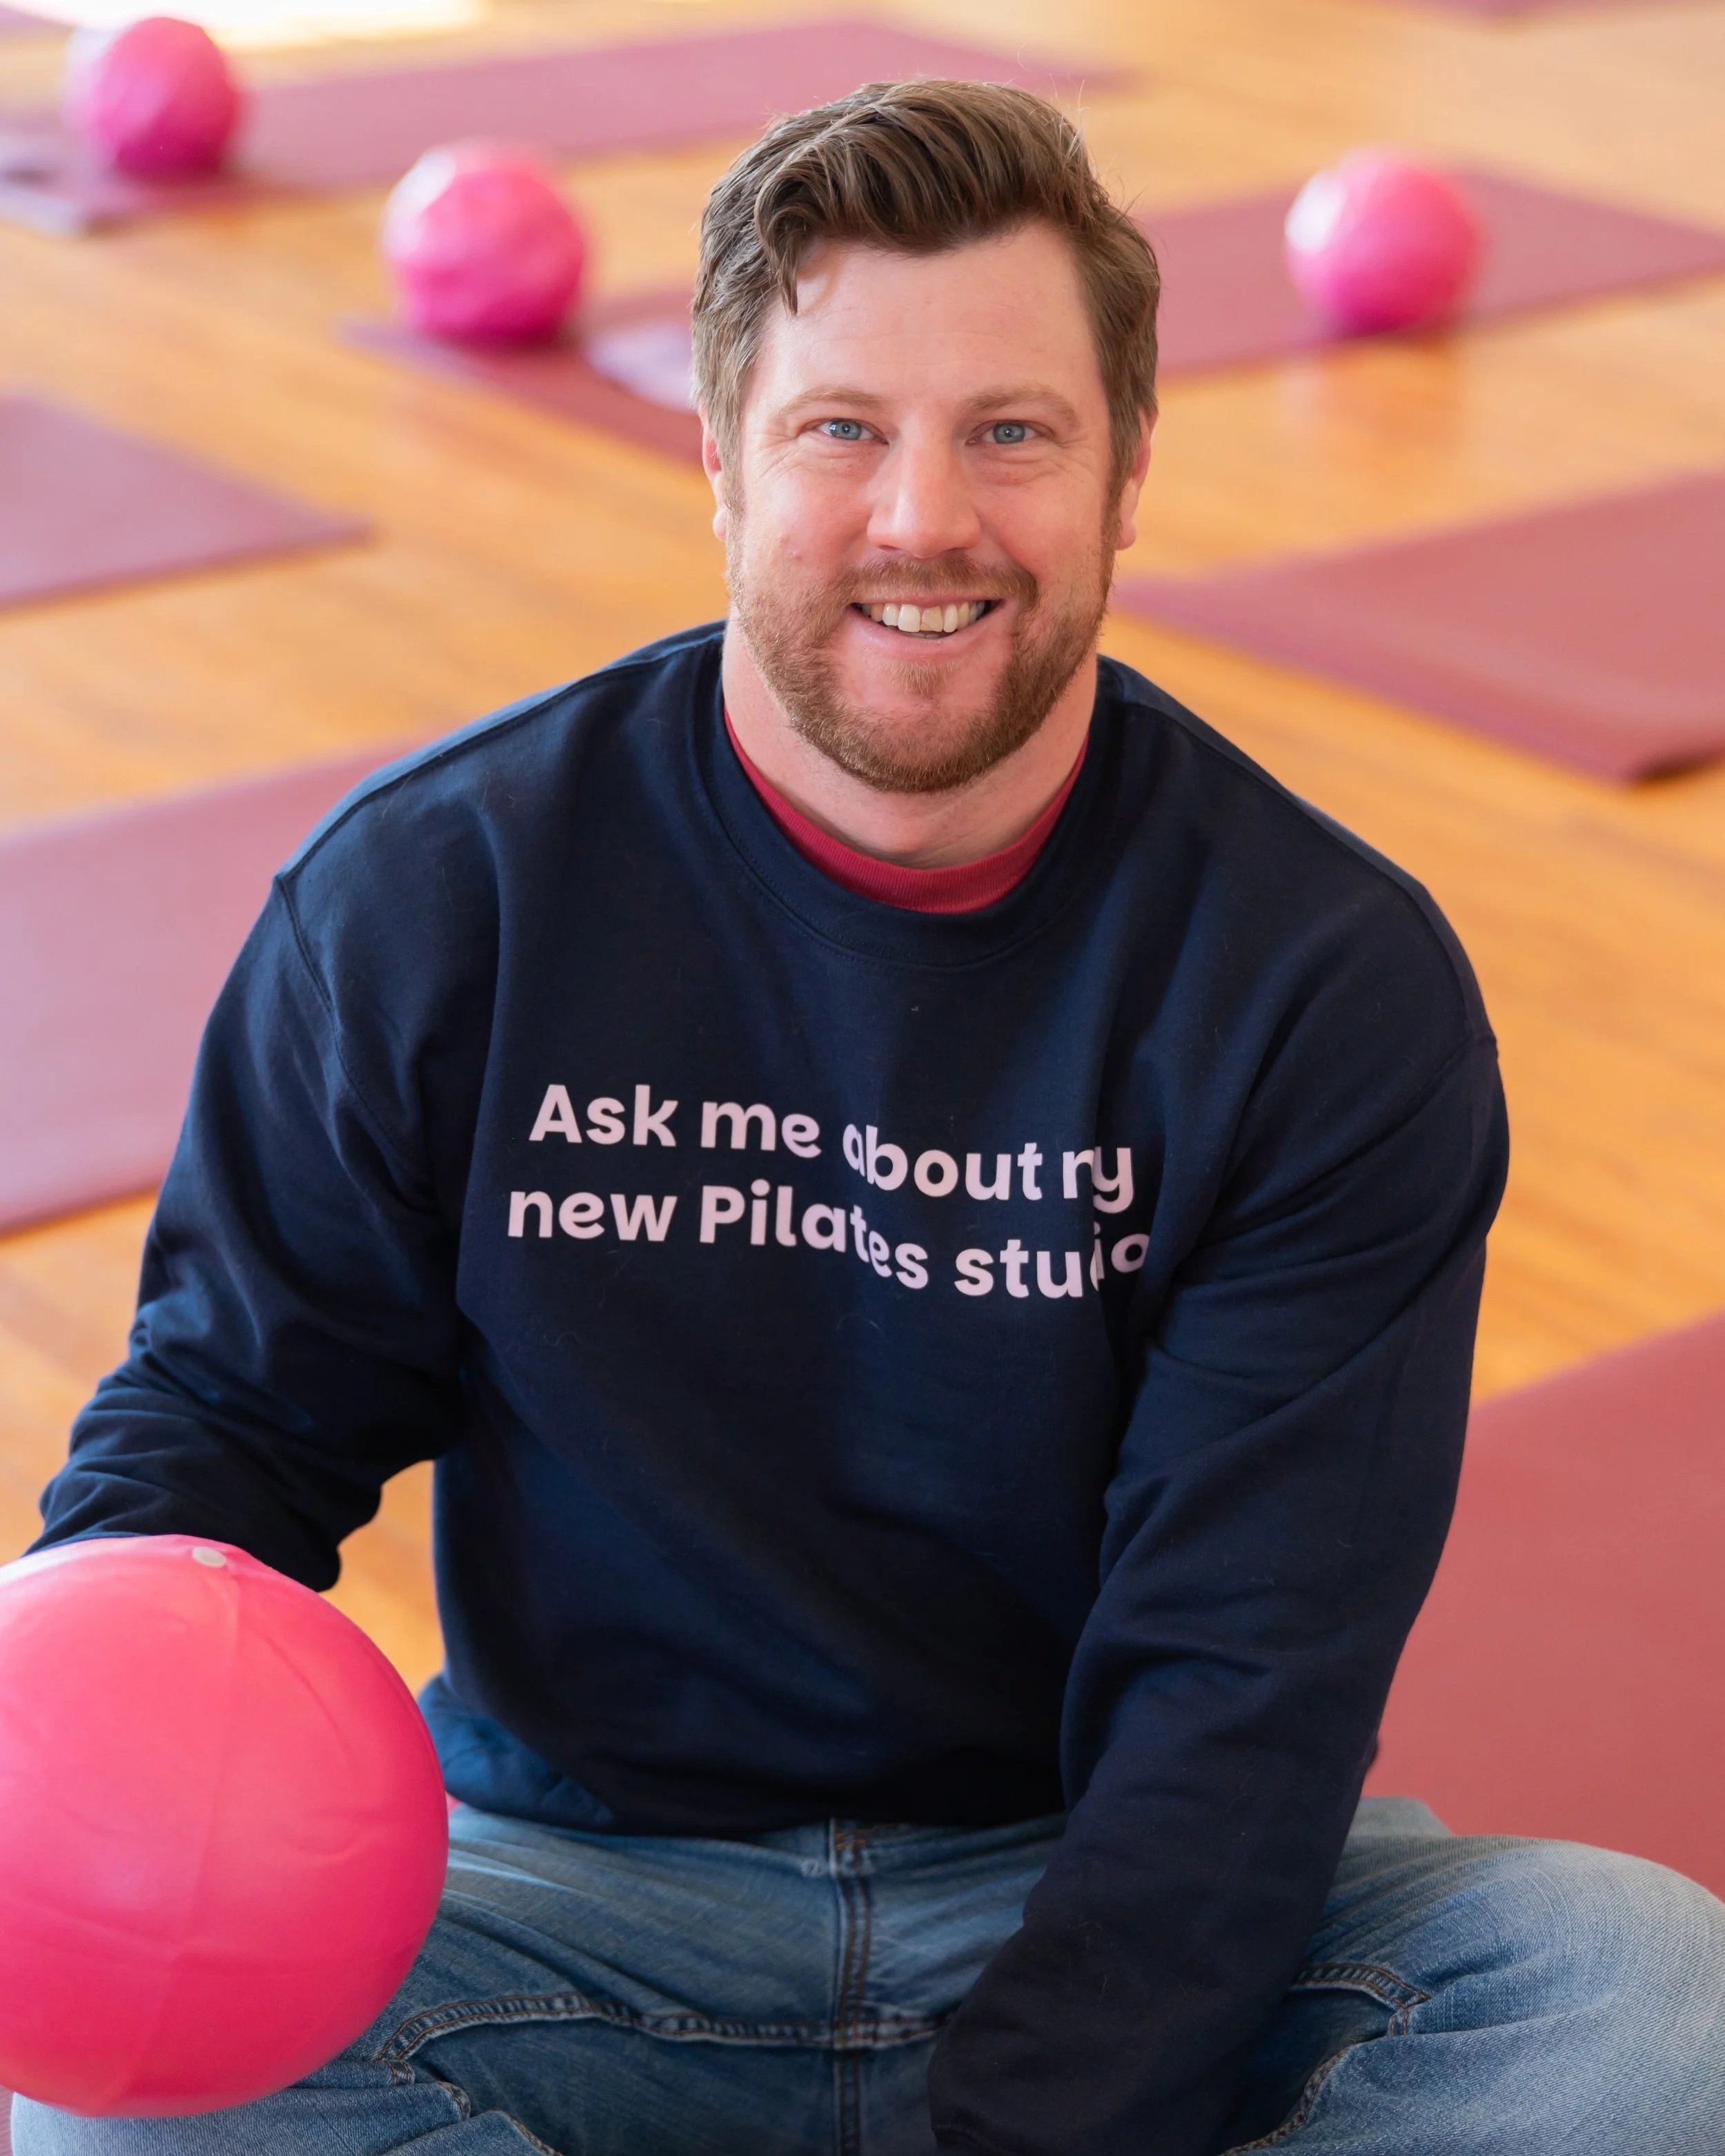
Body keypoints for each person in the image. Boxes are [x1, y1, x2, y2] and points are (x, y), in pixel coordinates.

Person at [15, 79, 1724, 2156]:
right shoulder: (434, 897)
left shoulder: (1318, 984)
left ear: (1124, 474)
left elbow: (1240, 1693)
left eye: (1011, 431)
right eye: (842, 428)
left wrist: (1028, 2120)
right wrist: (81, 1813)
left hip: (1083, 1865)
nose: (924, 517)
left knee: (1638, 2008)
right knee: (116, 2116)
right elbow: (227, 1435)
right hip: (576, 1896)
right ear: (720, 458)